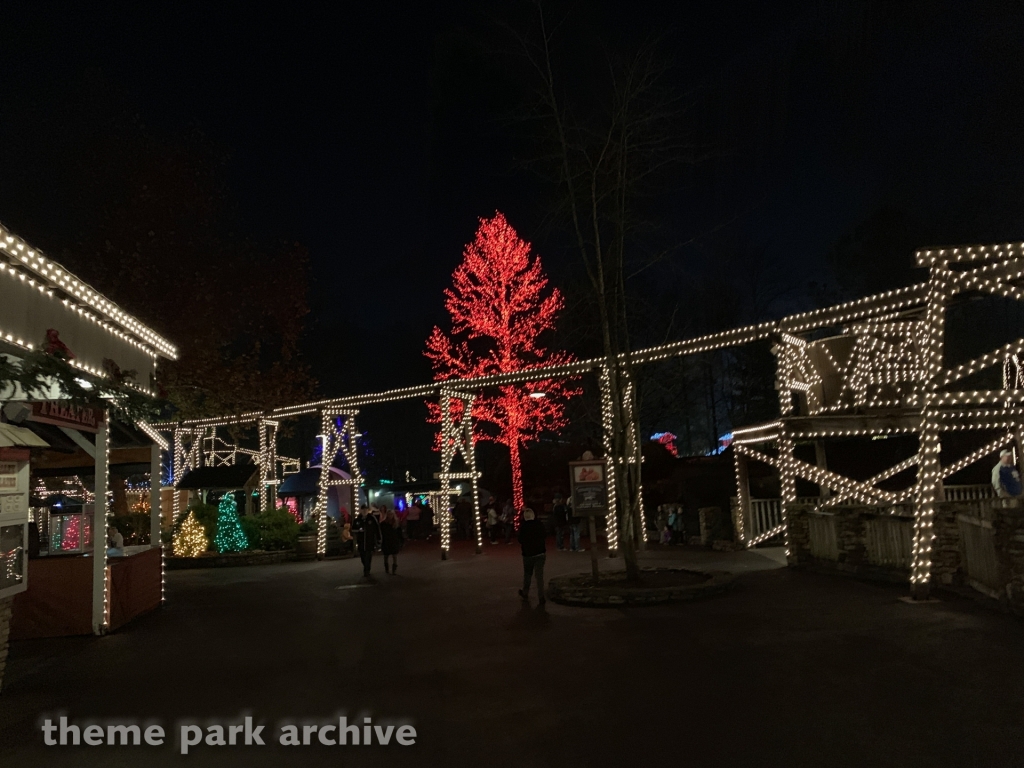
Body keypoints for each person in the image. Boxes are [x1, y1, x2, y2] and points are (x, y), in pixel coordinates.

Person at [517, 507, 547, 604]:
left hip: (528, 554)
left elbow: (520, 540)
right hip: (540, 552)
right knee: (539, 576)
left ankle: (525, 592)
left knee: (527, 574)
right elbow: (545, 535)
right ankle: (541, 596)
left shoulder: (523, 527)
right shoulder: (539, 525)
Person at [353, 505, 382, 577]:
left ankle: (367, 570)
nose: (364, 511)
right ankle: (366, 567)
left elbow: (376, 529)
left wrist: (378, 538)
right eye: (363, 510)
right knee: (363, 556)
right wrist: (359, 531)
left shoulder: (372, 518)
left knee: (368, 556)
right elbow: (353, 529)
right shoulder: (357, 520)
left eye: (365, 509)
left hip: (369, 541)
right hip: (361, 541)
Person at [380, 510, 402, 575]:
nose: (390, 516)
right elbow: (381, 532)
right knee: (386, 556)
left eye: (391, 514)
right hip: (386, 541)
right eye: (389, 514)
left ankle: (394, 570)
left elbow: (399, 533)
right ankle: (386, 569)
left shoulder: (396, 523)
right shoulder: (383, 524)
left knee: (394, 556)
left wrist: (401, 540)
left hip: (394, 540)